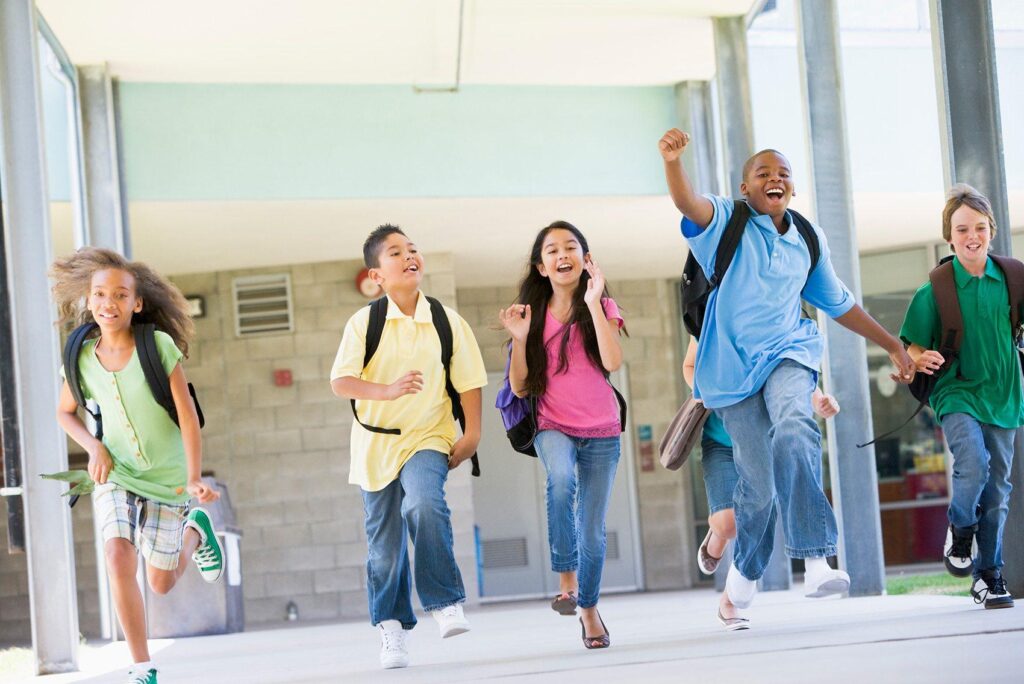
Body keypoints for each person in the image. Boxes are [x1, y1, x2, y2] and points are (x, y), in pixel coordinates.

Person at [658, 128, 915, 613]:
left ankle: (817, 559)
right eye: (763, 173)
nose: (774, 179)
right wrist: (673, 162)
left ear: (792, 187)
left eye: (783, 174)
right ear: (745, 187)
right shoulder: (725, 223)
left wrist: (892, 345)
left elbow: (840, 304)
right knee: (757, 487)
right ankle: (744, 573)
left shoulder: (807, 239)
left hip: (789, 352)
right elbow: (688, 203)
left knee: (796, 427)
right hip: (732, 372)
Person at [51, 248, 223, 684]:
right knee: (117, 553)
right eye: (100, 294)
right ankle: (143, 667)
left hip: (169, 479)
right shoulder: (80, 358)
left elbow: (188, 415)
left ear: (137, 303)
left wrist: (193, 478)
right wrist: (93, 447)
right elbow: (65, 412)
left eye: (120, 295)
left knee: (161, 583)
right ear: (89, 300)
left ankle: (195, 531)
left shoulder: (156, 346)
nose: (109, 303)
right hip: (119, 474)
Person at [330, 224, 487, 669]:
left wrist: (472, 435)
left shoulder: (446, 321)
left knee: (423, 503)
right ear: (376, 275)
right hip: (375, 445)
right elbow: (341, 382)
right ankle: (392, 629)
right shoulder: (364, 323)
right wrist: (386, 391)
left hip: (428, 435)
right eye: (395, 252)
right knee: (384, 546)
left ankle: (445, 601)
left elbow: (469, 382)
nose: (409, 256)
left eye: (412, 249)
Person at [499, 221, 625, 650]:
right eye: (551, 250)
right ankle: (567, 580)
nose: (561, 255)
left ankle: (588, 609)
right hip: (552, 425)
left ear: (585, 260)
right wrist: (519, 339)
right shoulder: (531, 317)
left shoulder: (601, 306)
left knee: (593, 531)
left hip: (603, 430)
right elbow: (520, 388)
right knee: (561, 479)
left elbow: (612, 362)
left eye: (570, 247)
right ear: (541, 267)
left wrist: (593, 303)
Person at [900, 184, 1020, 609]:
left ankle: (988, 575)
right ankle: (961, 529)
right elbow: (910, 344)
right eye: (962, 229)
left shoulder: (1014, 279)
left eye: (980, 227)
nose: (972, 236)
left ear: (992, 230)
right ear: (949, 237)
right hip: (956, 392)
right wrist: (920, 356)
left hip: (1004, 393)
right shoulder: (936, 289)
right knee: (973, 462)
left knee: (998, 489)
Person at [682, 340, 839, 630]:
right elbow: (690, 366)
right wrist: (708, 392)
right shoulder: (710, 319)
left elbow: (789, 369)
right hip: (722, 443)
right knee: (728, 524)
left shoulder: (770, 324)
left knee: (760, 504)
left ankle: (730, 601)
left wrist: (818, 399)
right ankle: (717, 535)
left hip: (763, 445)